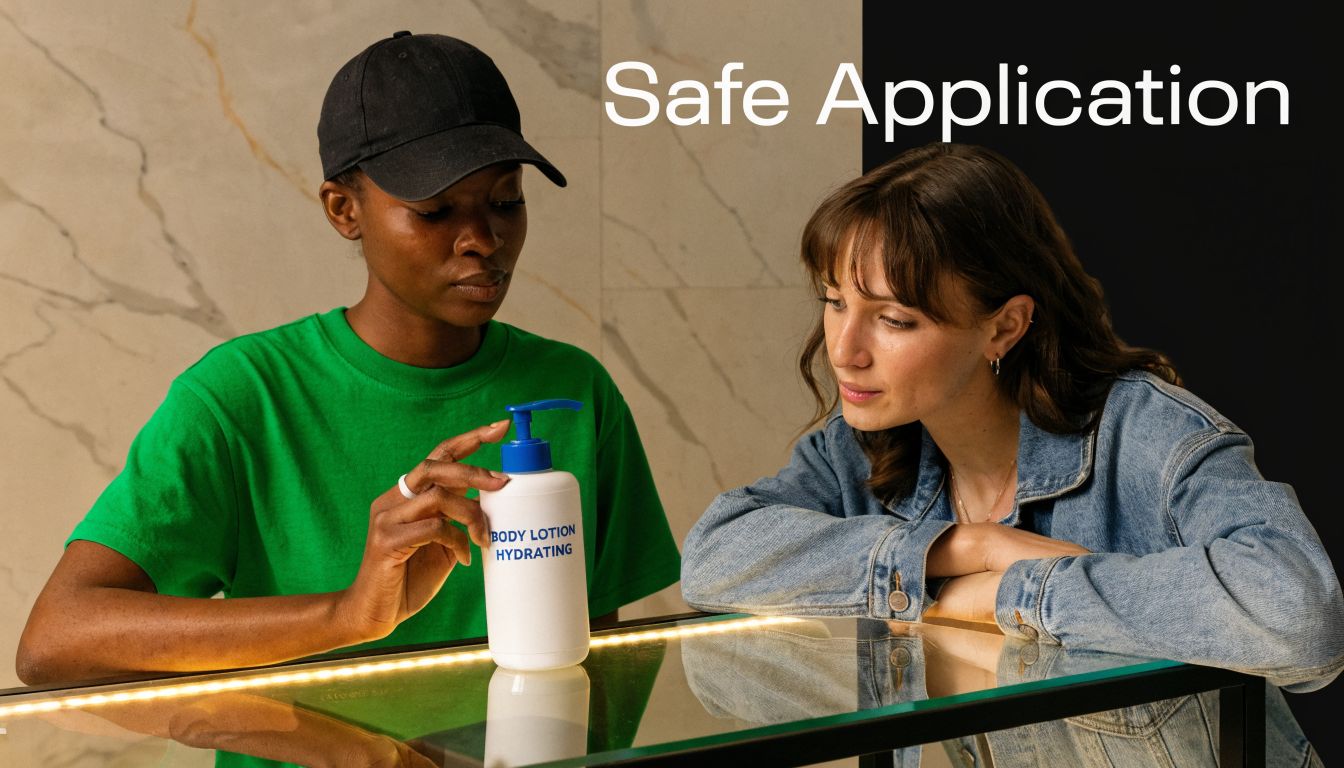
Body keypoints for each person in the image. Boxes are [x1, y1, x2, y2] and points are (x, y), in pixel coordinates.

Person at [16, 31, 681, 685]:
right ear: (343, 209)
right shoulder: (242, 396)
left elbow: (605, 657)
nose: (482, 238)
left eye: (506, 200)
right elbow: (56, 641)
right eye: (435, 210)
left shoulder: (572, 389)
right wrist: (347, 615)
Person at [680, 142, 1344, 695]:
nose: (845, 351)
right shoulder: (866, 447)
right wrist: (968, 548)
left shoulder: (1145, 434)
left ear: (1004, 327)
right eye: (833, 302)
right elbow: (714, 558)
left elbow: (1299, 615)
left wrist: (1006, 596)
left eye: (893, 320)